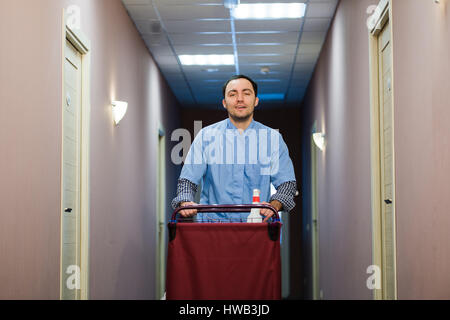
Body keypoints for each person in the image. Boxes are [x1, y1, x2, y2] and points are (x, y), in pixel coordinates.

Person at [171, 74, 297, 222]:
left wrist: (274, 205)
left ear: (256, 101)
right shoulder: (206, 136)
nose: (240, 99)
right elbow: (187, 180)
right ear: (224, 102)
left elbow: (287, 184)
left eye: (246, 93)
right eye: (233, 94)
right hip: (213, 230)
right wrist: (185, 201)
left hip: (257, 229)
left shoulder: (273, 139)